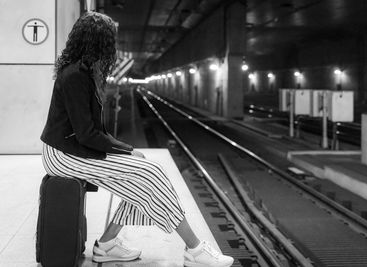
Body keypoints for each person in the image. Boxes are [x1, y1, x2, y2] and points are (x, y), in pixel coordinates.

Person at [40, 11, 234, 267]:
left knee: (142, 174)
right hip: (63, 155)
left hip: (73, 148)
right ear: (100, 41)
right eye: (111, 40)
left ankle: (107, 244)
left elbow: (91, 131)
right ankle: (195, 249)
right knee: (149, 173)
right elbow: (87, 134)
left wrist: (127, 151)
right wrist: (126, 150)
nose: (114, 46)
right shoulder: (76, 76)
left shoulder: (84, 72)